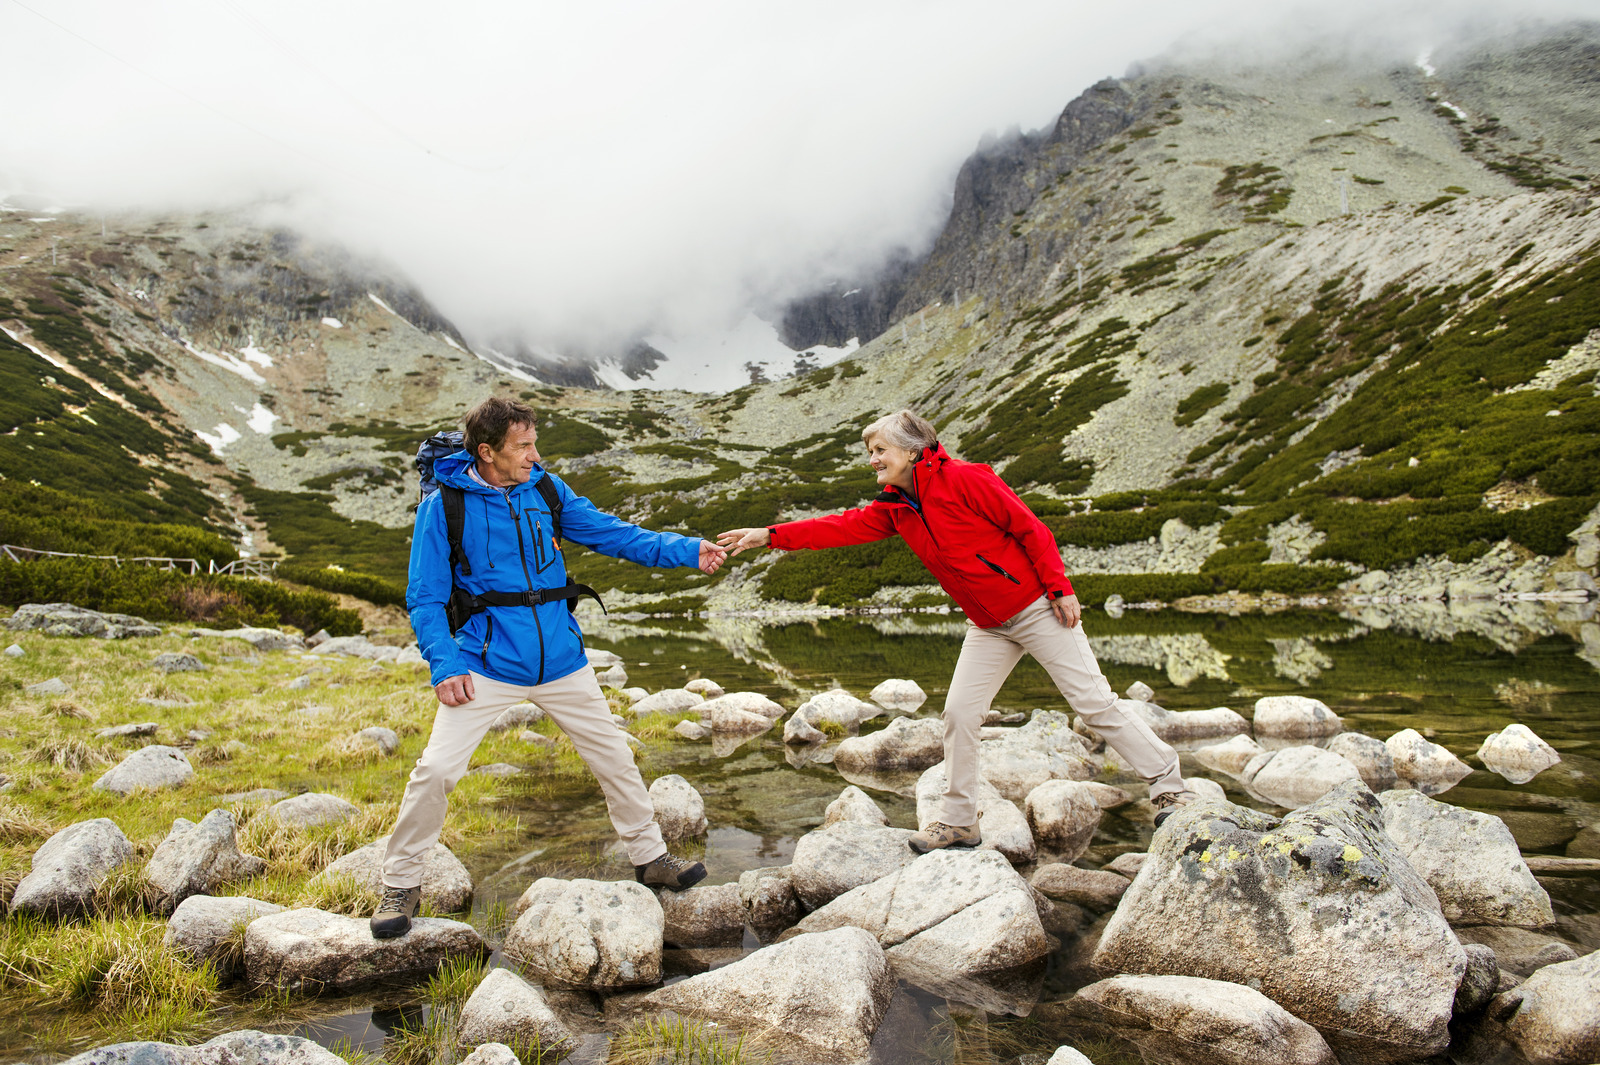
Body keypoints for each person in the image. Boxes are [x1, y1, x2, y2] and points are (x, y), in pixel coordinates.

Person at [719, 409, 1195, 853]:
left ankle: (1171, 789)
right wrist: (770, 535)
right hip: (988, 625)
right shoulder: (896, 507)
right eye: (871, 452)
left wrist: (1059, 587)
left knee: (1094, 703)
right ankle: (961, 821)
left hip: (1035, 609)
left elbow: (1031, 529)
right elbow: (839, 527)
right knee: (959, 714)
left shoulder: (967, 478)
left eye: (879, 450)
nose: (873, 460)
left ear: (910, 451)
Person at [372, 396, 728, 939]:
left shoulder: (545, 489)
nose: (536, 456)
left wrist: (687, 550)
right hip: (484, 663)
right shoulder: (444, 507)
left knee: (613, 756)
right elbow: (424, 597)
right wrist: (444, 666)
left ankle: (651, 857)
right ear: (487, 452)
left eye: (535, 443)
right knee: (437, 771)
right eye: (524, 446)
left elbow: (615, 534)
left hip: (562, 660)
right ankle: (400, 883)